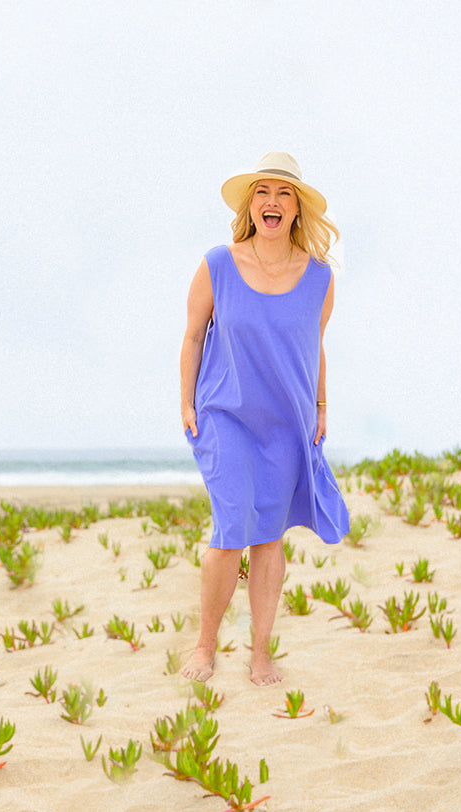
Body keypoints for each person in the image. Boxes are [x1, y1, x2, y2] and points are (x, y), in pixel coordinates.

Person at [177, 151, 352, 685]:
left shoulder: (319, 277)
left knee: (268, 538)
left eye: (282, 194)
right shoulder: (218, 265)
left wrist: (321, 406)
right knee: (230, 531)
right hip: (225, 414)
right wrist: (186, 402)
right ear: (250, 206)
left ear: (297, 209)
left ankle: (259, 652)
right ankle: (205, 646)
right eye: (262, 193)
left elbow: (312, 346)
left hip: (287, 422)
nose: (271, 202)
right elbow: (191, 335)